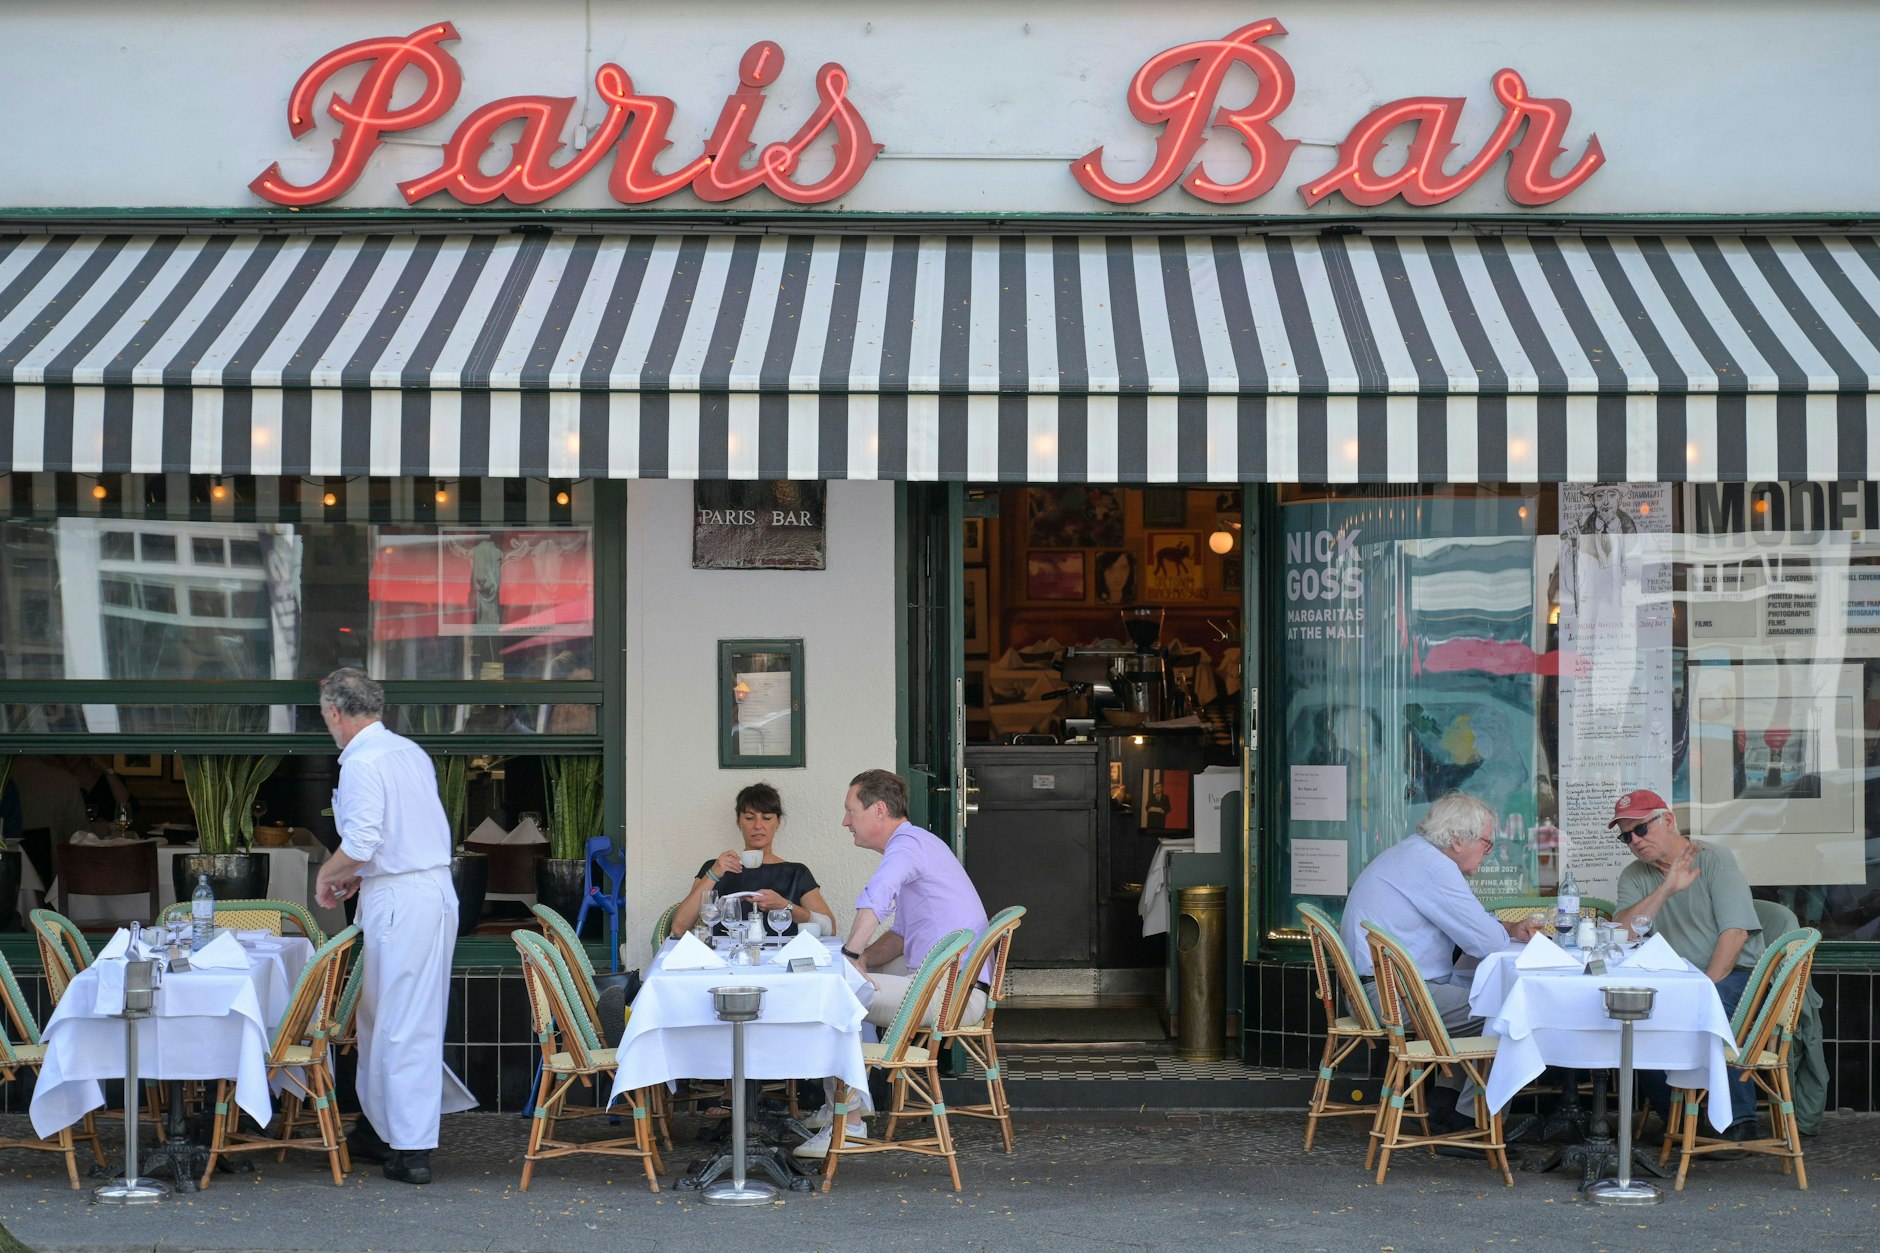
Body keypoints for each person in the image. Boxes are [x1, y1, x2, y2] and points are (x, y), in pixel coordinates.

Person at [313, 668, 476, 1185]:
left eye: (326, 717)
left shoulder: (363, 763)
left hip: (406, 899)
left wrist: (328, 875)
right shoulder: (409, 752)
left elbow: (361, 842)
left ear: (335, 712)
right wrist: (360, 876)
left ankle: (411, 1147)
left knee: (403, 1021)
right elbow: (398, 837)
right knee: (379, 1018)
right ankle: (378, 1128)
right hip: (413, 890)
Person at [794, 769, 990, 1160]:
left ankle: (848, 1124)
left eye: (850, 811)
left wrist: (848, 958)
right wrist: (862, 958)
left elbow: (876, 897)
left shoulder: (907, 847)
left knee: (835, 996)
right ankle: (853, 1106)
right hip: (949, 985)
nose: (845, 821)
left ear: (879, 809)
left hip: (953, 995)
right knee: (847, 983)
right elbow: (900, 934)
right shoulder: (920, 845)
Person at [1340, 791, 1537, 1128]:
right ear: (1459, 840)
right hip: (1391, 998)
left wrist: (1508, 928)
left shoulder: (1411, 855)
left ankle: (1444, 1105)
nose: (1487, 854)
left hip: (1374, 991)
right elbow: (1485, 942)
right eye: (1487, 844)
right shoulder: (1434, 867)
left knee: (1481, 998)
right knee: (1512, 1012)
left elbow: (1470, 929)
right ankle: (1474, 1122)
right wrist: (1504, 932)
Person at [1610, 788, 1764, 1141]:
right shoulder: (1636, 874)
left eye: (1641, 829)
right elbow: (1622, 933)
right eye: (1626, 836)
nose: (1634, 841)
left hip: (1732, 974)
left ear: (1668, 821)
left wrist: (1703, 989)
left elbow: (1735, 934)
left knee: (1708, 1012)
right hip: (1674, 979)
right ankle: (1678, 1119)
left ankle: (1738, 1122)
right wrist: (1665, 889)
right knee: (1635, 1020)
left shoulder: (1714, 860)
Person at [668, 782, 836, 940]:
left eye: (767, 818)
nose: (758, 825)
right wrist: (713, 874)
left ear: (778, 822)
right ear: (738, 822)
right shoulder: (717, 867)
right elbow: (679, 928)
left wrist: (786, 906)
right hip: (725, 962)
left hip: (784, 961)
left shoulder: (796, 872)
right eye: (749, 818)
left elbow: (830, 929)